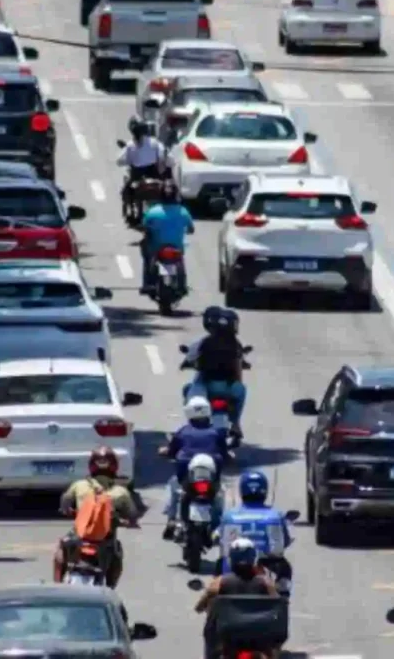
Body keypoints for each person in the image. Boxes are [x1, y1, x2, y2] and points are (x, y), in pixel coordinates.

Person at [53, 446, 140, 589]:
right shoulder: (121, 492)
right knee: (117, 556)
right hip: (106, 540)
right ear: (114, 466)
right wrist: (128, 522)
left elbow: (65, 503)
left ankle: (56, 587)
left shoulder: (79, 485)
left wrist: (68, 511)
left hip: (78, 537)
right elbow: (132, 515)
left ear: (91, 464)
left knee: (60, 551)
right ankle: (111, 589)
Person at [195, 536, 279, 659]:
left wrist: (202, 605)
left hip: (226, 636)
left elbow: (199, 606)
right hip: (257, 635)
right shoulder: (265, 582)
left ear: (231, 558)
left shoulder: (219, 582)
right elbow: (278, 603)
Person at [159, 396, 230, 539]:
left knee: (174, 487)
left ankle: (171, 520)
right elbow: (224, 452)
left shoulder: (183, 432)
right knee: (219, 495)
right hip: (212, 478)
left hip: (185, 478)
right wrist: (228, 456)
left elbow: (172, 451)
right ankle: (218, 527)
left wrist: (165, 452)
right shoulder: (216, 432)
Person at [216, 471, 293, 582]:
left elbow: (221, 538)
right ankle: (283, 594)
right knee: (285, 569)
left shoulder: (229, 516)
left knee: (220, 565)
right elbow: (284, 541)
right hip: (269, 562)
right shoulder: (275, 515)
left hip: (233, 564)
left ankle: (213, 592)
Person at [184, 306, 248, 434]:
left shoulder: (204, 342)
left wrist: (186, 362)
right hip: (228, 386)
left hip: (205, 383)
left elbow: (191, 356)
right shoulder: (236, 344)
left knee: (187, 390)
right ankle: (236, 424)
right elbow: (239, 366)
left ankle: (191, 426)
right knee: (242, 391)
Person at [140, 178, 195, 296]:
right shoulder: (183, 211)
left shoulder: (152, 212)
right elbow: (191, 229)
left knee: (146, 254)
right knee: (180, 260)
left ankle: (147, 282)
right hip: (177, 247)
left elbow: (144, 226)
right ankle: (182, 284)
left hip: (157, 247)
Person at [117, 116, 168, 215]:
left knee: (125, 190)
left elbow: (121, 160)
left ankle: (129, 209)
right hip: (154, 174)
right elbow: (163, 155)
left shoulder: (130, 145)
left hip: (137, 176)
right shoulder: (154, 142)